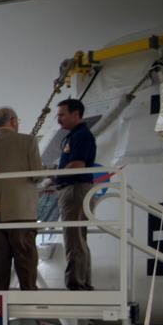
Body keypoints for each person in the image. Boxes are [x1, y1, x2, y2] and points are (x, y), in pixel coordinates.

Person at [0, 107, 42, 290]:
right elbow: (37, 175)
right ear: (13, 121)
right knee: (26, 263)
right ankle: (30, 303)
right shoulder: (28, 141)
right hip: (21, 210)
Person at [53, 97, 97, 290]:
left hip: (75, 189)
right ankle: (82, 281)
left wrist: (55, 176)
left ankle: (76, 282)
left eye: (62, 114)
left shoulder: (81, 136)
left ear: (75, 114)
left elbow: (77, 164)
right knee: (79, 237)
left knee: (73, 237)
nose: (58, 119)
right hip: (76, 188)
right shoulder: (75, 136)